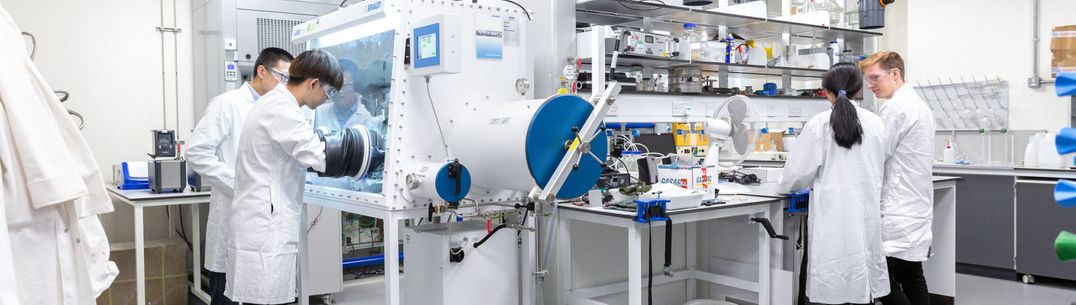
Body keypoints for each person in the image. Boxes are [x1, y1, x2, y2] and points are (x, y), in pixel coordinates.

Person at [224, 49, 370, 304]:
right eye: (329, 92)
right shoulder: (282, 109)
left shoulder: (277, 103)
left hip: (261, 220)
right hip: (265, 226)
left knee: (263, 298)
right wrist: (370, 149)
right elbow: (320, 157)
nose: (328, 99)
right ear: (313, 83)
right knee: (265, 299)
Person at [185, 47, 293, 305]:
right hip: (234, 217)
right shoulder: (228, 104)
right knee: (228, 294)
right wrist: (242, 184)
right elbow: (197, 151)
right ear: (261, 71)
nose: (286, 84)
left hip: (268, 223)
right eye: (282, 76)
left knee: (265, 293)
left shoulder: (280, 109)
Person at [778, 62, 891, 305]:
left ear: (826, 91)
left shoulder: (819, 124)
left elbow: (795, 175)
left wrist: (783, 187)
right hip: (867, 215)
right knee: (862, 279)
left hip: (833, 220)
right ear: (858, 89)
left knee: (833, 283)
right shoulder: (876, 123)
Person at [862, 51, 936, 305]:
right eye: (867, 79)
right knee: (912, 275)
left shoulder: (896, 107)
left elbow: (876, 155)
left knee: (881, 281)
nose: (870, 85)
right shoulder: (918, 104)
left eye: (874, 77)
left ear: (895, 73)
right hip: (914, 207)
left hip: (897, 209)